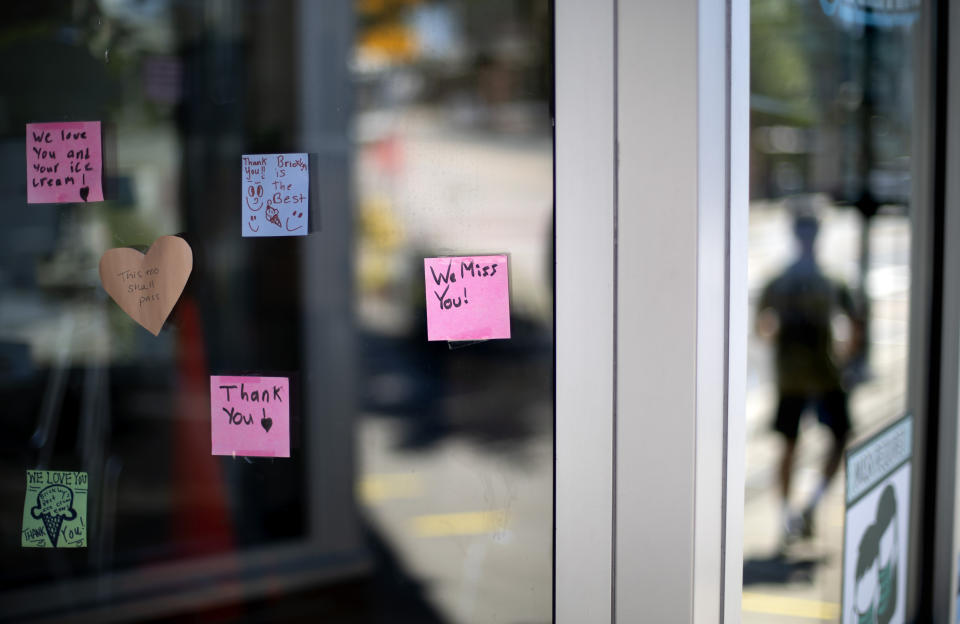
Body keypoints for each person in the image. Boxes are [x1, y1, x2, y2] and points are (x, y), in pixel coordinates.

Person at [756, 206, 864, 543]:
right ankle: (797, 511)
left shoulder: (786, 280)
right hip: (819, 373)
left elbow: (762, 327)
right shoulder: (825, 279)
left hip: (803, 374)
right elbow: (856, 326)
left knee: (797, 443)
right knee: (804, 442)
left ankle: (797, 511)